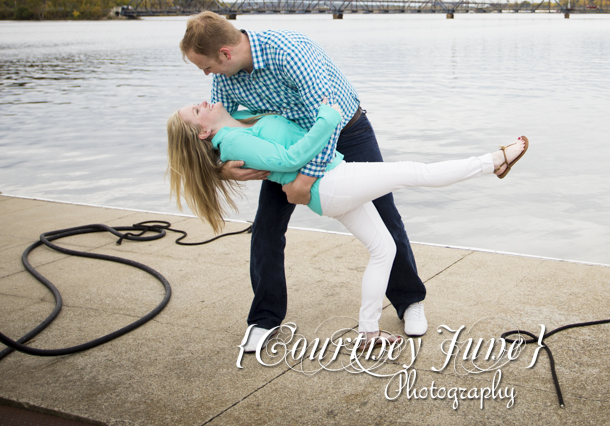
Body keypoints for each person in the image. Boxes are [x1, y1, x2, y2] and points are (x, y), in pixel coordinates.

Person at [166, 98, 528, 346]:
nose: (205, 101)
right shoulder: (233, 141)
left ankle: (369, 333)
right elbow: (290, 156)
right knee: (414, 172)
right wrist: (328, 117)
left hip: (332, 185)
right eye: (197, 109)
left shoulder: (237, 122)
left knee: (383, 247)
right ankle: (493, 161)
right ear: (202, 132)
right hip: (333, 183)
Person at [178, 11, 429, 349]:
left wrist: (305, 181)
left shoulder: (290, 51)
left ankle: (410, 300)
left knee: (385, 213)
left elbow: (328, 118)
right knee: (266, 227)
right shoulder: (226, 75)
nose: (206, 74)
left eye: (205, 66)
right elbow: (214, 130)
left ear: (225, 53)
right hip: (288, 145)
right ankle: (263, 319)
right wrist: (223, 169)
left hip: (345, 130)